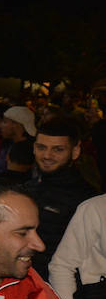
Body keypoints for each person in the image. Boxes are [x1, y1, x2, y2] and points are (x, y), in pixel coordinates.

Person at [23, 116, 97, 277]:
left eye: (58, 149)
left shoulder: (87, 200)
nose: (47, 155)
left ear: (75, 151)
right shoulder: (28, 188)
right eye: (41, 147)